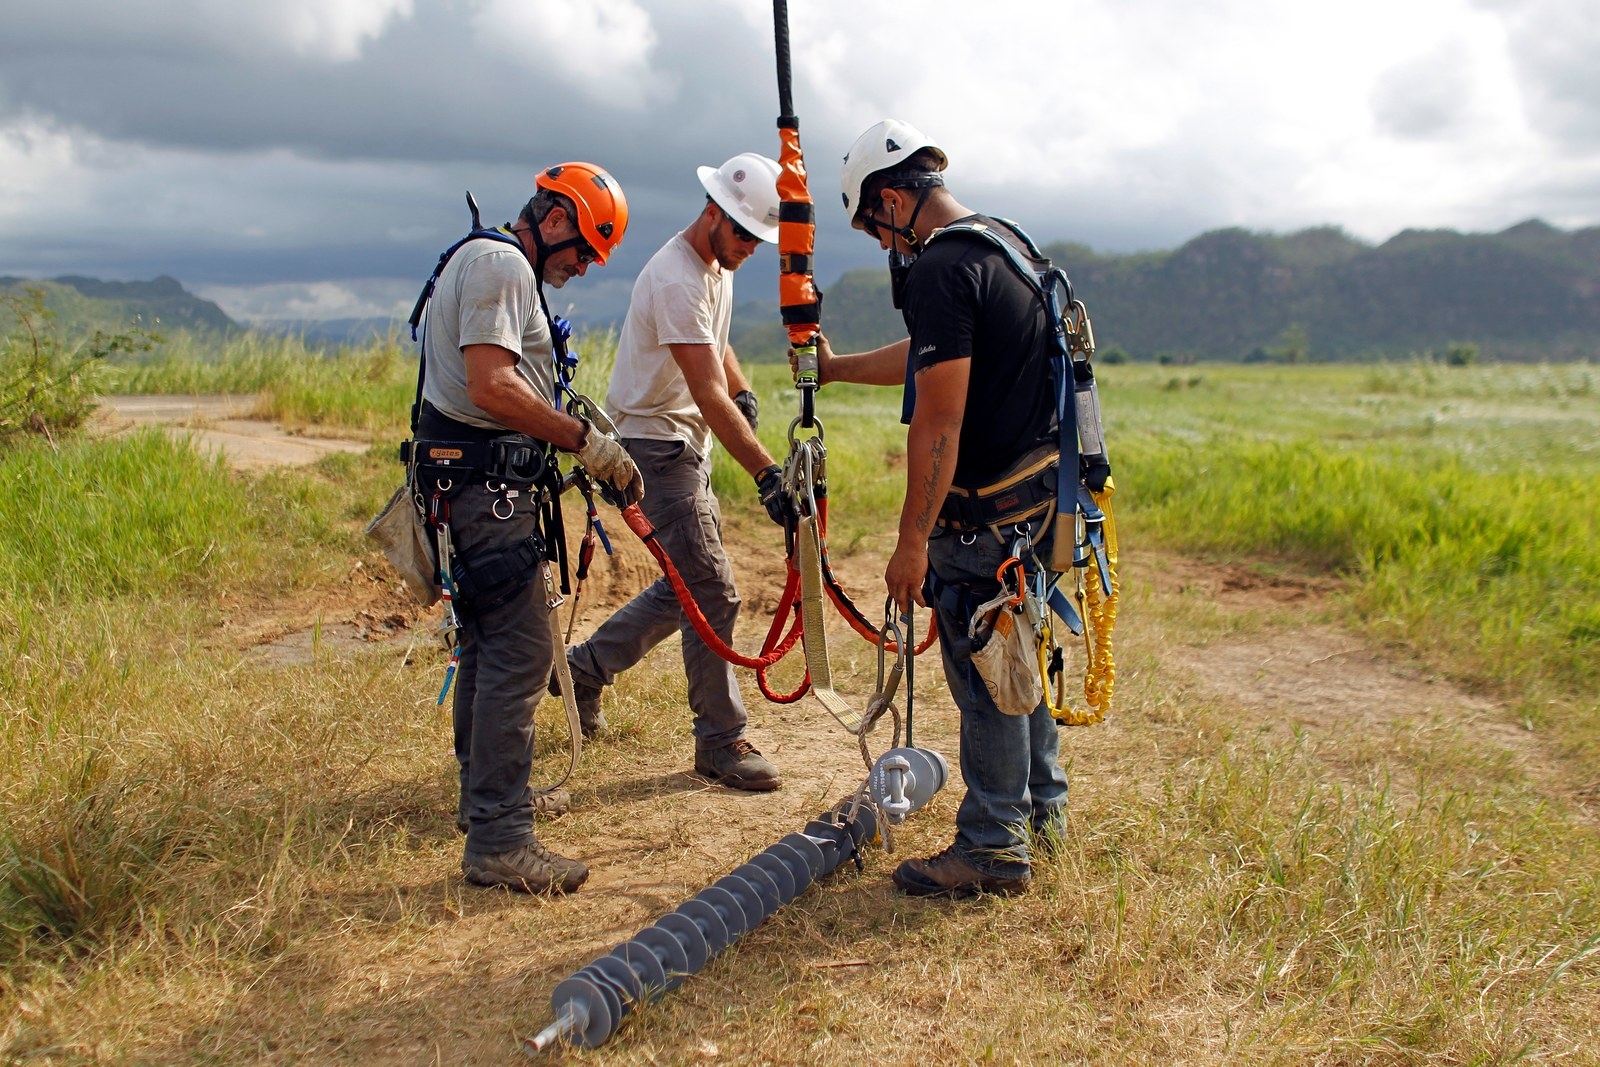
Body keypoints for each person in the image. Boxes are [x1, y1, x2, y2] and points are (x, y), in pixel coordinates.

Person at [813, 120, 1077, 897]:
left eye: (873, 225)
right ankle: (1040, 816)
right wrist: (835, 371)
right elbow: (935, 354)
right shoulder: (1004, 248)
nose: (880, 243)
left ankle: (994, 845)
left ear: (893, 198)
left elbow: (939, 417)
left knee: (986, 671)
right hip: (1036, 502)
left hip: (983, 517)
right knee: (1016, 657)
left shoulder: (939, 268)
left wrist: (911, 540)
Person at [414, 162, 643, 895]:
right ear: (553, 220)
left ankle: (484, 803)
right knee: (515, 657)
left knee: (486, 648)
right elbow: (492, 385)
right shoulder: (501, 265)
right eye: (583, 250)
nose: (583, 267)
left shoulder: (495, 265)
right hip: (487, 492)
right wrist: (580, 439)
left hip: (475, 487)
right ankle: (501, 837)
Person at [563, 153, 789, 792]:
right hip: (655, 449)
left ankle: (584, 670)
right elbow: (706, 393)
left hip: (684, 443)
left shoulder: (716, 264)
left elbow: (716, 346)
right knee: (712, 592)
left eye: (759, 238)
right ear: (713, 212)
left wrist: (742, 387)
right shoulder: (675, 277)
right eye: (743, 232)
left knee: (684, 589)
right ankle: (719, 742)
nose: (750, 247)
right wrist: (767, 474)